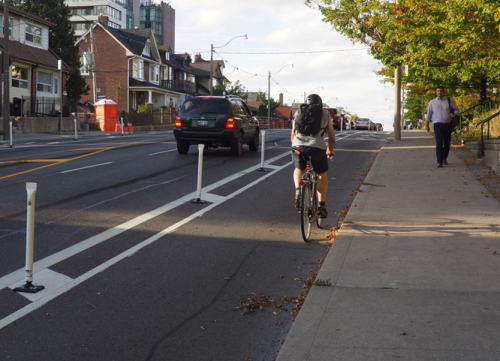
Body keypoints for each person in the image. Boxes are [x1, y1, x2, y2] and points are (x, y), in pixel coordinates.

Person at [291, 94, 336, 218]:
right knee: (321, 174)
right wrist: (330, 150)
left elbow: (293, 134)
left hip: (298, 146)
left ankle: (298, 191)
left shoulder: (299, 111)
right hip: (317, 147)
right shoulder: (325, 114)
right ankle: (321, 207)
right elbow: (332, 137)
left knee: (299, 169)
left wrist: (296, 146)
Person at [426, 86, 460, 167]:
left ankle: (444, 158)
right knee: (439, 142)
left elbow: (457, 110)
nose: (439, 92)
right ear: (436, 92)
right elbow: (429, 114)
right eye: (438, 91)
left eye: (441, 91)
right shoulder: (432, 102)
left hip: (447, 124)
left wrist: (454, 114)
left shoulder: (449, 100)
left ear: (443, 92)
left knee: (447, 143)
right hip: (438, 125)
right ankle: (439, 161)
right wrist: (427, 125)